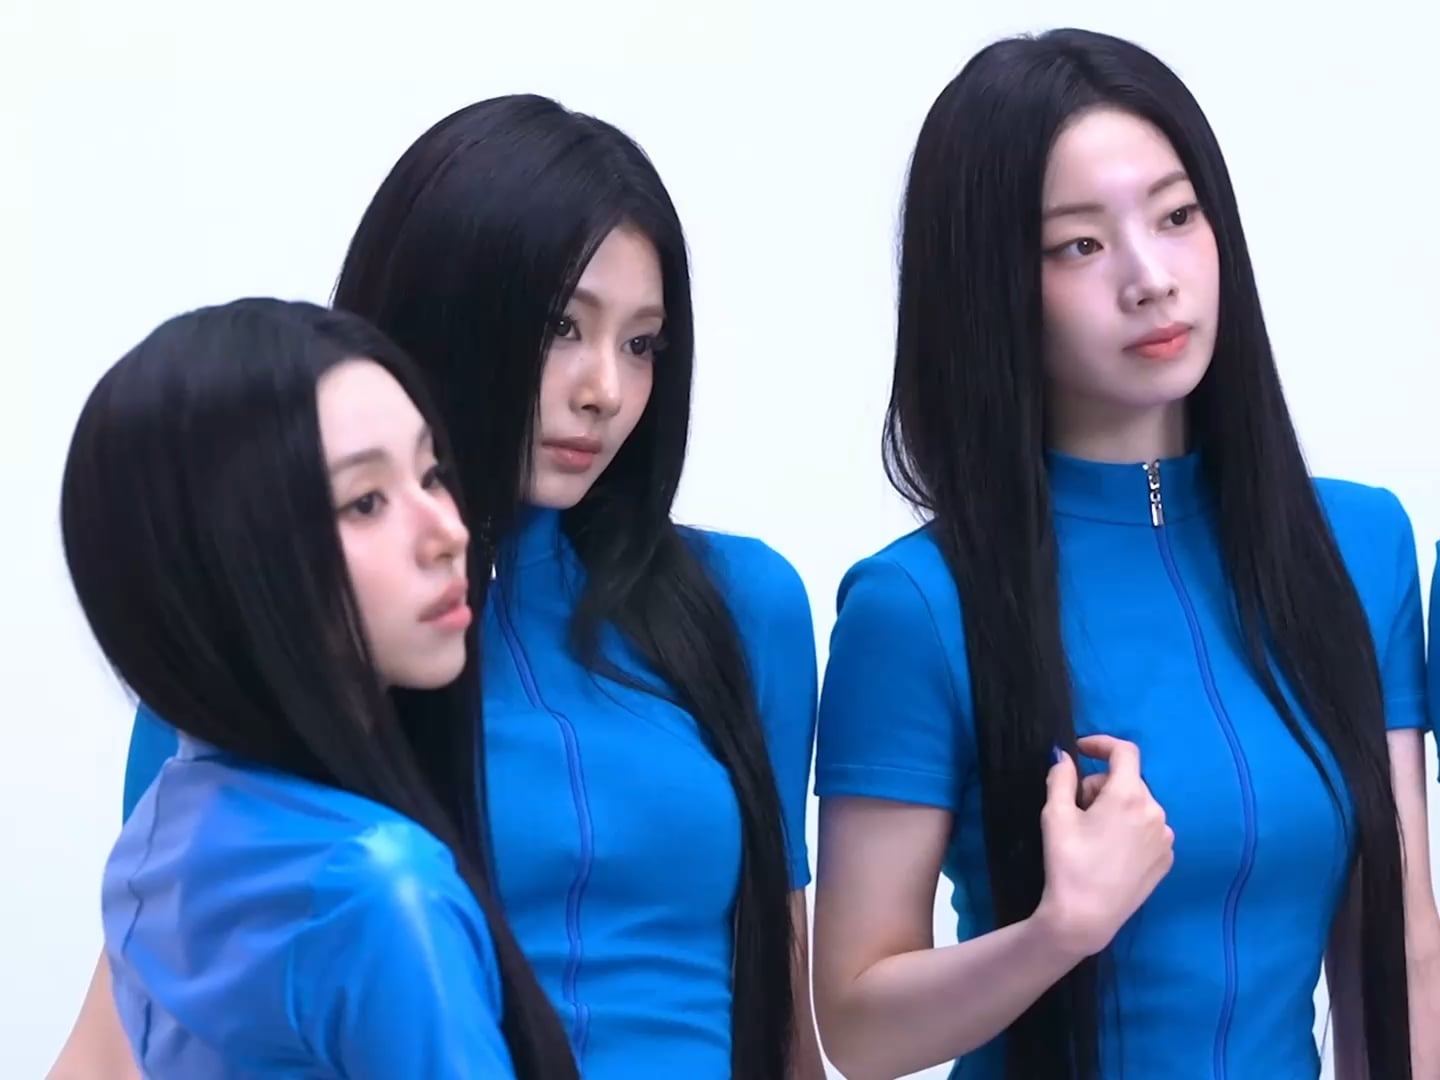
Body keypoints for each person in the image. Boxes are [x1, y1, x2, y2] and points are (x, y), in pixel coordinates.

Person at [60, 97, 822, 1079]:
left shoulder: (744, 605)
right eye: (562, 326)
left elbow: (787, 1027)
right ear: (447, 312)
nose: (605, 389)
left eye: (642, 344)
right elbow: (131, 1035)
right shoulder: (280, 644)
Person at [810, 27, 1439, 1080]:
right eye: (1079, 245)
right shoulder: (916, 604)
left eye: (1178, 216)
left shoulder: (1359, 549)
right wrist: (1059, 932)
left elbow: (1400, 951)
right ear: (991, 284)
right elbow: (859, 1027)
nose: (1151, 278)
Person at [58, 299, 577, 1079]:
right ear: (225, 562)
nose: (448, 532)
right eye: (366, 502)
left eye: (431, 474)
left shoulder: (155, 843)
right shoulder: (376, 886)